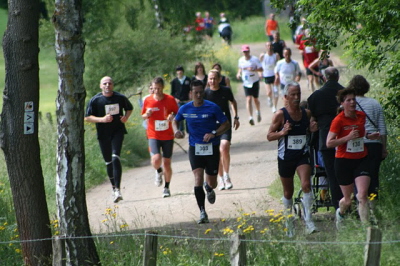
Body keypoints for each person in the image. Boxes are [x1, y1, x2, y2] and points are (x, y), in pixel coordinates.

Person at [173, 80, 230, 224]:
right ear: (190, 93)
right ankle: (202, 212)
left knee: (213, 183)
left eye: (201, 92)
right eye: (196, 93)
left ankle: (209, 188)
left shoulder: (212, 107)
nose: (199, 95)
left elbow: (226, 124)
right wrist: (177, 131)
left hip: (211, 148)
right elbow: (175, 121)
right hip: (195, 148)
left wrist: (214, 134)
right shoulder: (185, 108)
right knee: (197, 178)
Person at [267, 82, 318, 236]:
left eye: (298, 94)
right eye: (293, 94)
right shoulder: (280, 115)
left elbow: (308, 129)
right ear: (286, 97)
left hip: (302, 155)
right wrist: (282, 132)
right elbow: (269, 135)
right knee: (288, 193)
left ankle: (309, 222)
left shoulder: (306, 113)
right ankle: (289, 223)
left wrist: (312, 128)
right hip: (286, 157)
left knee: (306, 184)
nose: (296, 97)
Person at [326, 88, 380, 229]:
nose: (352, 102)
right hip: (343, 161)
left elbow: (361, 133)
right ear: (342, 103)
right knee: (348, 200)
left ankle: (366, 230)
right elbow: (329, 143)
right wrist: (347, 138)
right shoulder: (338, 120)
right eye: (348, 100)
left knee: (362, 195)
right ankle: (340, 212)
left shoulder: (361, 115)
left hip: (361, 159)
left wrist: (369, 136)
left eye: (353, 99)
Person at [85, 76, 133, 203]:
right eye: (105, 83)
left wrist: (125, 118)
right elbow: (87, 117)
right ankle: (113, 189)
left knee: (115, 157)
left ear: (113, 85)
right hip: (103, 134)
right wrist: (102, 119)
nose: (107, 85)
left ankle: (118, 189)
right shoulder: (95, 100)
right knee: (108, 162)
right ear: (101, 86)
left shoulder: (120, 97)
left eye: (110, 83)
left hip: (117, 131)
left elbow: (129, 108)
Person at [307, 67, 344, 209]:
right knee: (346, 173)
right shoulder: (345, 93)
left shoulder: (316, 96)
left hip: (325, 140)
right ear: (338, 77)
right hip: (344, 138)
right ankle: (351, 203)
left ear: (324, 78)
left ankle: (338, 207)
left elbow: (312, 117)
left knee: (332, 175)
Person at [350, 75, 388, 200]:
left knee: (357, 175)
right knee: (373, 175)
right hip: (374, 145)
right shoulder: (375, 103)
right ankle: (372, 205)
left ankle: (359, 203)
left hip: (357, 144)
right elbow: (382, 129)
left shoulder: (350, 104)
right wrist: (383, 147)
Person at [142, 77, 179, 198]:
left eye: (158, 88)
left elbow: (176, 113)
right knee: (156, 159)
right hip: (153, 134)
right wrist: (146, 115)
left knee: (167, 163)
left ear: (163, 87)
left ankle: (167, 187)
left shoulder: (170, 99)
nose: (156, 91)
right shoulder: (148, 100)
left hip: (168, 135)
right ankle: (158, 171)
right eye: (154, 88)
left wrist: (171, 116)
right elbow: (143, 115)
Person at [205, 69, 240, 190]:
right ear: (208, 80)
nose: (212, 81)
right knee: (217, 152)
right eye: (210, 78)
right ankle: (220, 178)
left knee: (224, 147)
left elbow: (233, 102)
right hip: (211, 127)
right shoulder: (205, 93)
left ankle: (226, 175)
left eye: (215, 78)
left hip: (225, 125)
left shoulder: (225, 90)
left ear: (219, 79)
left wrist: (236, 117)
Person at [236, 44, 263, 125]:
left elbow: (261, 68)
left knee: (255, 99)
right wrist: (238, 73)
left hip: (254, 81)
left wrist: (254, 69)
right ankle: (250, 117)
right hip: (246, 82)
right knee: (248, 99)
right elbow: (240, 68)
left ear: (249, 51)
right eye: (244, 52)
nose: (245, 53)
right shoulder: (241, 60)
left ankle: (258, 111)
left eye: (247, 51)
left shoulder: (254, 59)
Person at [260, 41, 280, 112]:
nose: (269, 47)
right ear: (266, 47)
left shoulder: (276, 55)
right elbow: (260, 65)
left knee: (276, 91)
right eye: (268, 46)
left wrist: (278, 75)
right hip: (266, 75)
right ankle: (269, 98)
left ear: (272, 47)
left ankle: (275, 106)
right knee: (269, 92)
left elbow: (278, 65)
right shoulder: (263, 56)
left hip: (274, 75)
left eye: (270, 45)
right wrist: (260, 73)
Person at [170, 65, 191, 133]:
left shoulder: (187, 79)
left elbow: (191, 90)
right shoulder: (174, 81)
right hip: (178, 101)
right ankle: (181, 130)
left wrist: (190, 98)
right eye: (178, 71)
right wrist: (175, 99)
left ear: (183, 71)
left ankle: (189, 130)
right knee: (180, 116)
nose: (179, 72)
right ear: (176, 72)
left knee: (188, 115)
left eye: (181, 70)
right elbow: (172, 93)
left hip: (186, 101)